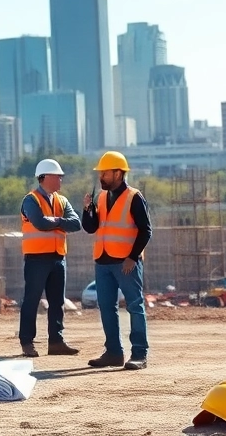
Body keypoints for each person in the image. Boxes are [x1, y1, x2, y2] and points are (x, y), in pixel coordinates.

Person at [81, 151, 153, 371]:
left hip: (126, 263)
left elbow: (146, 230)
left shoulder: (134, 197)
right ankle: (113, 352)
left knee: (134, 305)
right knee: (106, 308)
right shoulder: (102, 197)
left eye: (105, 172)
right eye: (100, 172)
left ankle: (139, 354)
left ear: (118, 173)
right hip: (102, 261)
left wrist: (132, 257)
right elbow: (91, 228)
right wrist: (87, 210)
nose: (101, 176)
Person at [18, 159, 83, 358]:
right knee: (32, 300)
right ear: (45, 177)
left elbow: (76, 223)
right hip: (37, 259)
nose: (61, 179)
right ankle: (27, 342)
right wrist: (60, 223)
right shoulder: (30, 200)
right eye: (57, 176)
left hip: (58, 257)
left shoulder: (62, 201)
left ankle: (56, 341)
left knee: (57, 302)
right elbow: (39, 223)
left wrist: (55, 221)